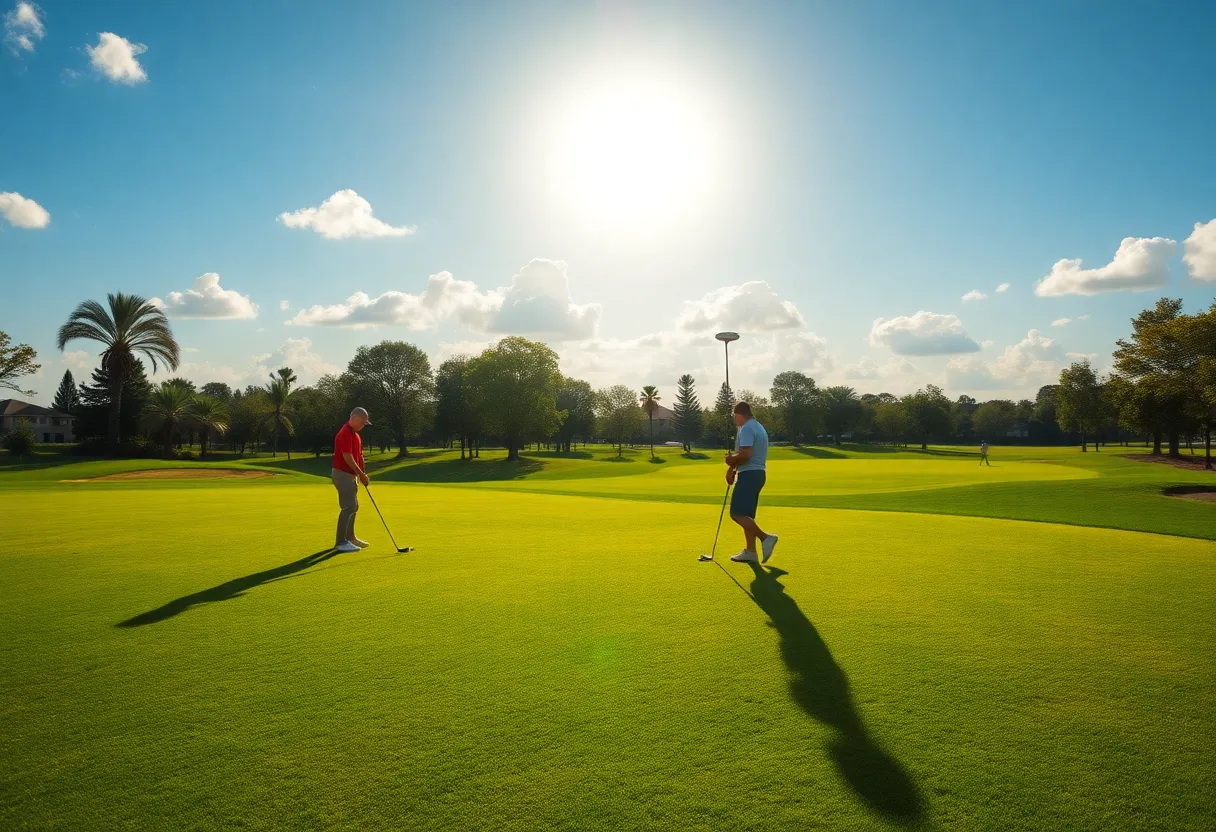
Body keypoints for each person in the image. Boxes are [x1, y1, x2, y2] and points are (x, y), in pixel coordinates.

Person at [724, 401, 778, 563]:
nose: (735, 420)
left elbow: (745, 454)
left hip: (750, 475)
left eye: (735, 417)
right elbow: (745, 455)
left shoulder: (746, 428)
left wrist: (730, 460)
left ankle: (765, 538)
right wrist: (732, 468)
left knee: (737, 514)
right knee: (747, 516)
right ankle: (750, 552)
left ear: (739, 415)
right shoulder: (758, 426)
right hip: (757, 474)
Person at [332, 407, 372, 553]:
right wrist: (360, 473)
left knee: (353, 506)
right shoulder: (345, 433)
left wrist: (363, 474)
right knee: (348, 507)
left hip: (351, 475)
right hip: (342, 474)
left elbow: (359, 456)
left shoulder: (355, 435)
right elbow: (347, 457)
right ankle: (341, 542)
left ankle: (350, 537)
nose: (363, 426)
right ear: (353, 418)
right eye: (361, 422)